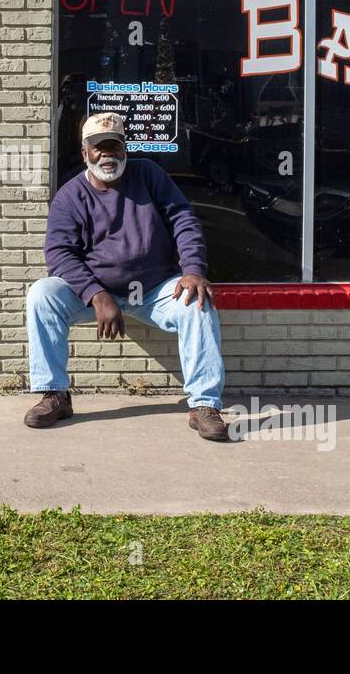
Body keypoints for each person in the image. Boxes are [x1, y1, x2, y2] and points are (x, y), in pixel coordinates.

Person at [24, 112, 229, 440]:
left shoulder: (149, 175)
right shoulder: (70, 195)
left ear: (125, 149)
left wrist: (192, 270)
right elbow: (59, 253)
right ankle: (55, 395)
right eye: (97, 147)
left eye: (114, 146)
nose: (107, 154)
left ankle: (204, 405)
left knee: (197, 302)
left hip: (154, 290)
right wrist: (96, 294)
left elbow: (184, 220)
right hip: (98, 292)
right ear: (84, 153)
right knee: (42, 294)